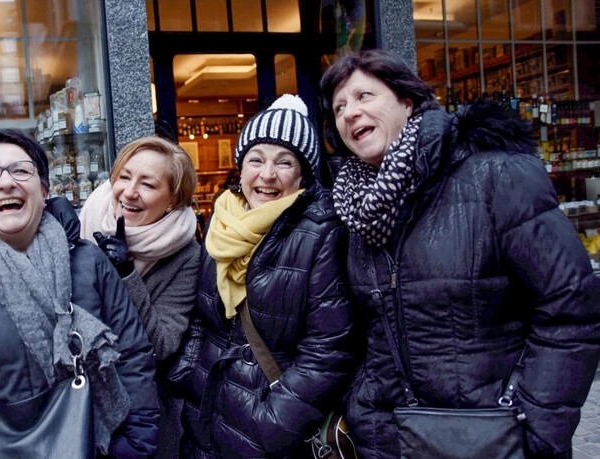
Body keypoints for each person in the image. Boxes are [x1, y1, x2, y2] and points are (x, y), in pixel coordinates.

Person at [319, 49, 600, 457]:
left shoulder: (494, 176)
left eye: (364, 96)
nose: (349, 113)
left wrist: (535, 424)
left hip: (487, 436)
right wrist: (362, 408)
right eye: (339, 106)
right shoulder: (352, 210)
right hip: (387, 439)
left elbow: (571, 305)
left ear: (407, 101)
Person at [0, 129, 159, 458]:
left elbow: (132, 352)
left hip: (94, 444)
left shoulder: (88, 261)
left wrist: (133, 445)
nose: (6, 183)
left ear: (45, 189)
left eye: (21, 170)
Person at [171, 94, 357, 457]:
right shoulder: (221, 223)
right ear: (241, 169)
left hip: (268, 434)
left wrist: (272, 423)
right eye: (256, 159)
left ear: (302, 173)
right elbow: (202, 319)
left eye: (284, 162)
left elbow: (329, 349)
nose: (267, 175)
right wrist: (189, 373)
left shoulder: (322, 231)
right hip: (206, 418)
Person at [79, 136, 200, 458]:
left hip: (139, 414)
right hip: (76, 404)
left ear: (172, 200)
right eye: (124, 177)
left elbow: (161, 345)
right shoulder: (82, 225)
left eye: (147, 184)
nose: (129, 192)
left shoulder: (186, 255)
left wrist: (125, 275)